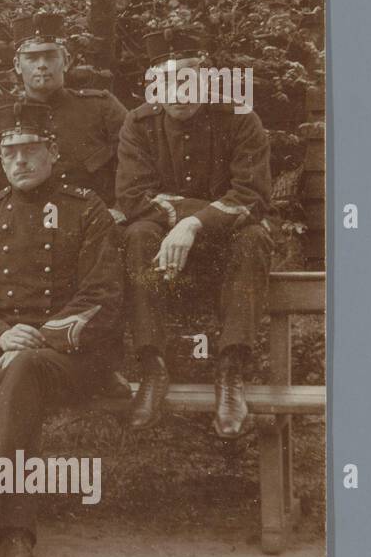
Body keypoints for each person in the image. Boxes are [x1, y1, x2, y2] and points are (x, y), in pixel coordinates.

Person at [0, 102, 123, 557]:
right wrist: (0, 334)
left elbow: (101, 296)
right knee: (19, 385)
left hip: (76, 358)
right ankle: (15, 544)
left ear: (53, 153)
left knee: (21, 377)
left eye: (30, 150)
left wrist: (37, 338)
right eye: (10, 152)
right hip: (6, 358)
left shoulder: (87, 209)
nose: (19, 161)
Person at [116, 29, 274, 437]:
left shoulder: (240, 118)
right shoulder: (138, 123)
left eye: (186, 80)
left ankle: (230, 373)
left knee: (254, 237)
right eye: (164, 82)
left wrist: (192, 222)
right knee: (136, 235)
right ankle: (153, 369)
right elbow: (133, 196)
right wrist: (190, 218)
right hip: (165, 250)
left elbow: (252, 195)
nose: (176, 92)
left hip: (226, 245)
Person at [0, 13, 127, 208]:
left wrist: (120, 210)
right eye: (32, 58)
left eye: (50, 56)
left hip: (98, 219)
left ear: (67, 61)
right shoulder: (6, 119)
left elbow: (131, 164)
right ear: (18, 65)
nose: (42, 65)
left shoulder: (102, 107)